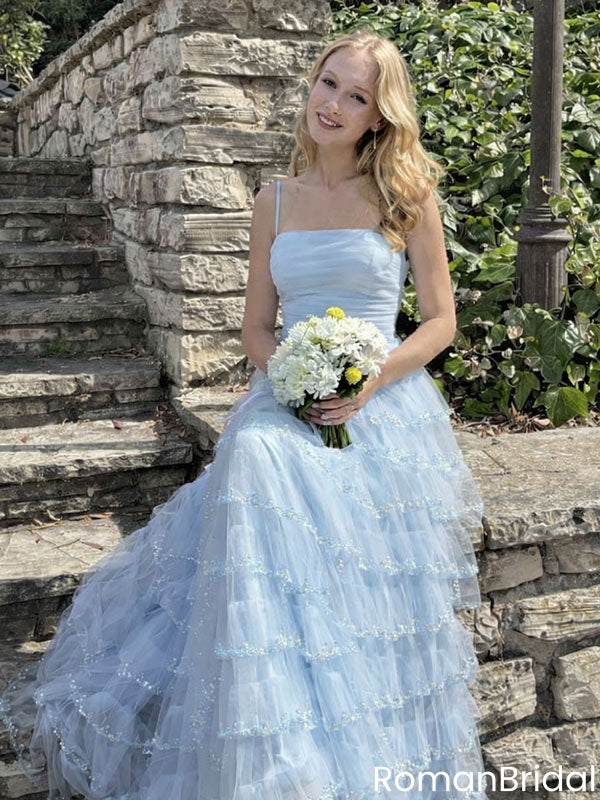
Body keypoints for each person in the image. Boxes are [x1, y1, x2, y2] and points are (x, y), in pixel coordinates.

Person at [1, 30, 487, 800]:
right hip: (287, 393)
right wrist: (291, 383)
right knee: (257, 457)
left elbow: (439, 321)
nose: (334, 104)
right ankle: (264, 749)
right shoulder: (275, 199)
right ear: (312, 86)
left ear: (378, 115)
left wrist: (368, 381)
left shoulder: (405, 195)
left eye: (357, 96)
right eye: (329, 84)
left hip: (382, 401)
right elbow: (257, 327)